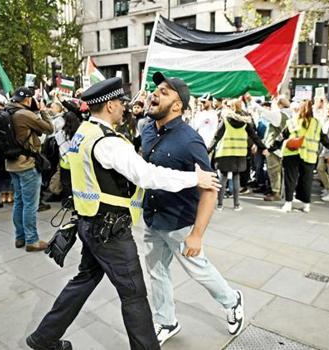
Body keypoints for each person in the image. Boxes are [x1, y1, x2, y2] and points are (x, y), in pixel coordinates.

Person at [26, 77, 221, 350]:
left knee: (85, 279)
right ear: (109, 106)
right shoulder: (109, 143)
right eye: (120, 104)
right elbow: (147, 175)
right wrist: (194, 178)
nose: (124, 109)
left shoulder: (84, 131)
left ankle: (43, 338)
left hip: (89, 223)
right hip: (110, 231)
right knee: (134, 296)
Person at [142, 72, 245, 346]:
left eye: (164, 92)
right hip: (152, 218)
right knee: (156, 272)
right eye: (156, 89)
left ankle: (232, 300)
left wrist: (197, 234)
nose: (155, 94)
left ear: (177, 106)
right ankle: (166, 321)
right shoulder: (147, 129)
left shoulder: (190, 141)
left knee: (199, 270)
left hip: (180, 223)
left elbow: (210, 189)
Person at [4, 87, 54, 251]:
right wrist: (42, 110)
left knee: (19, 202)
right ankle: (32, 240)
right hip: (26, 163)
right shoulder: (25, 114)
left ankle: (20, 237)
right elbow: (48, 128)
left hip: (12, 163)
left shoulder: (6, 111)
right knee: (30, 205)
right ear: (28, 100)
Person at [273, 99, 329, 213]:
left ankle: (288, 204)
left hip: (292, 153)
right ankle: (306, 205)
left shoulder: (292, 121)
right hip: (310, 156)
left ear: (299, 109)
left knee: (290, 179)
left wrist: (269, 148)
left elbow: (281, 137)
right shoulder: (316, 123)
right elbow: (324, 139)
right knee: (306, 180)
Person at [210, 99, 266, 210]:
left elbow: (217, 137)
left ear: (230, 107)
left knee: (223, 178)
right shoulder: (245, 122)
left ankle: (220, 205)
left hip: (225, 153)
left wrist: (207, 150)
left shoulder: (225, 120)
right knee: (236, 178)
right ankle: (236, 205)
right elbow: (254, 137)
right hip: (239, 154)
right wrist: (263, 147)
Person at [258, 96, 291, 201]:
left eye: (274, 101)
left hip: (274, 148)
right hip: (280, 147)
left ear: (279, 103)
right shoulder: (287, 114)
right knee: (278, 171)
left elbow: (264, 112)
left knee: (274, 170)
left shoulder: (278, 115)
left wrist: (250, 102)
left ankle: (276, 192)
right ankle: (278, 191)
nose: (272, 103)